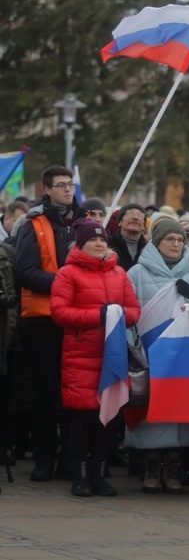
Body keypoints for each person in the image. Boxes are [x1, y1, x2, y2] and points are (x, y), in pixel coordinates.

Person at [50, 218, 140, 497]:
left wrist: (117, 314)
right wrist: (99, 315)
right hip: (81, 355)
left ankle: (99, 475)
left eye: (102, 239)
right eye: (92, 239)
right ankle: (80, 475)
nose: (99, 243)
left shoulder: (119, 273)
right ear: (80, 244)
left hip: (111, 354)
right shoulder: (68, 273)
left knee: (107, 417)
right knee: (83, 416)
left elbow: (134, 310)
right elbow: (59, 312)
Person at [125, 217, 189, 494]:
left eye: (180, 240)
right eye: (170, 239)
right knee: (149, 406)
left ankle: (172, 464)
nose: (176, 244)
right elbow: (128, 311)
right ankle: (151, 465)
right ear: (157, 242)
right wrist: (134, 347)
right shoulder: (136, 274)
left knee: (175, 409)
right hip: (147, 352)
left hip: (181, 355)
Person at [15, 165, 85, 481]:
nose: (68, 189)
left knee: (74, 392)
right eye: (61, 185)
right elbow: (25, 272)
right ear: (47, 189)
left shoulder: (86, 224)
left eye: (70, 184)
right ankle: (45, 457)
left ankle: (70, 457)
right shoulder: (33, 224)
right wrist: (64, 283)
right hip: (44, 321)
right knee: (45, 392)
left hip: (79, 319)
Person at [107, 204, 148, 271]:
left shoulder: (149, 249)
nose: (135, 217)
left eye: (140, 215)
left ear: (143, 226)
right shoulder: (108, 245)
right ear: (120, 222)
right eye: (130, 213)